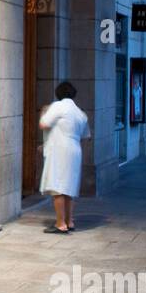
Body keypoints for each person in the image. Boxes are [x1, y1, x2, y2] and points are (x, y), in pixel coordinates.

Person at [39, 81, 89, 234]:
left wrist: (43, 112)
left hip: (60, 149)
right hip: (75, 149)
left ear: (58, 94)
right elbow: (86, 136)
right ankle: (70, 220)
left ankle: (60, 223)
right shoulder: (80, 113)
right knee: (69, 187)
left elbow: (44, 124)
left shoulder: (58, 106)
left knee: (58, 187)